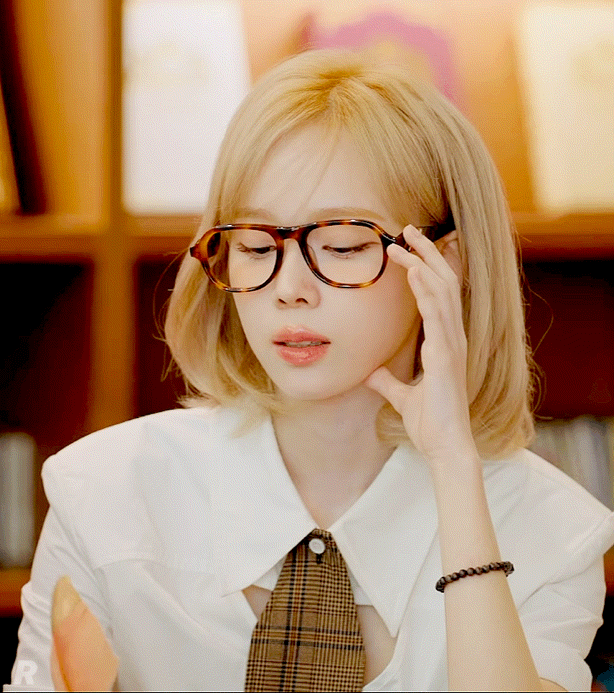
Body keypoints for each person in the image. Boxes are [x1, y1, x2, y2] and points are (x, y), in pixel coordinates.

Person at [5, 48, 614, 692]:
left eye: (343, 245)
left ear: (445, 263)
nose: (289, 289)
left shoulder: (555, 532)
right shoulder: (102, 493)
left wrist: (454, 465)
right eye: (256, 245)